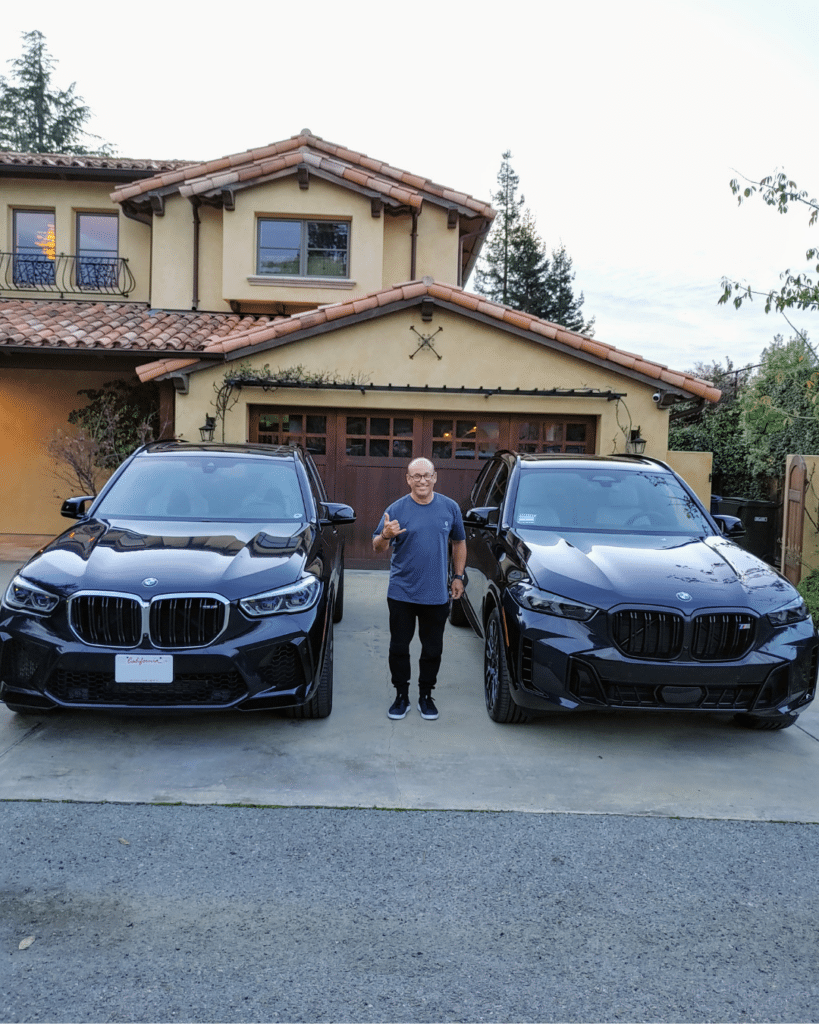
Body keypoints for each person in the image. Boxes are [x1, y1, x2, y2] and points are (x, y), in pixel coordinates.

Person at [372, 457, 467, 721]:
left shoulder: (450, 508)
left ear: (435, 477)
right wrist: (386, 536)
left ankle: (426, 695)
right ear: (408, 479)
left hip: (436, 593)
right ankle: (401, 695)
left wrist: (458, 576)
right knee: (399, 647)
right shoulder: (396, 509)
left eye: (427, 475)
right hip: (402, 593)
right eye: (416, 476)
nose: (422, 481)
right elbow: (377, 547)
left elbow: (459, 543)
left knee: (432, 649)